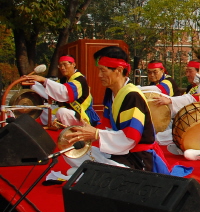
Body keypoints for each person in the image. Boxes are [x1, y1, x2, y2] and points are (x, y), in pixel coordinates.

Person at [64, 46, 188, 176]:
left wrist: (96, 134)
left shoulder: (132, 96)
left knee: (78, 172)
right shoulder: (110, 92)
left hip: (138, 159)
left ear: (118, 70)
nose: (99, 75)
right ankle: (91, 173)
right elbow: (111, 130)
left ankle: (93, 174)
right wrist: (88, 132)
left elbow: (130, 139)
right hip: (121, 152)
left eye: (103, 71)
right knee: (71, 153)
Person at [21, 55, 100, 127]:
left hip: (82, 115)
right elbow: (51, 91)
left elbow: (64, 93)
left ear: (73, 64)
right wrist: (33, 82)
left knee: (62, 112)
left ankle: (63, 124)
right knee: (43, 107)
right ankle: (58, 123)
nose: (62, 68)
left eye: (65, 64)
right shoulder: (63, 79)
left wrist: (44, 80)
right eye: (60, 65)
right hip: (69, 111)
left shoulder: (80, 80)